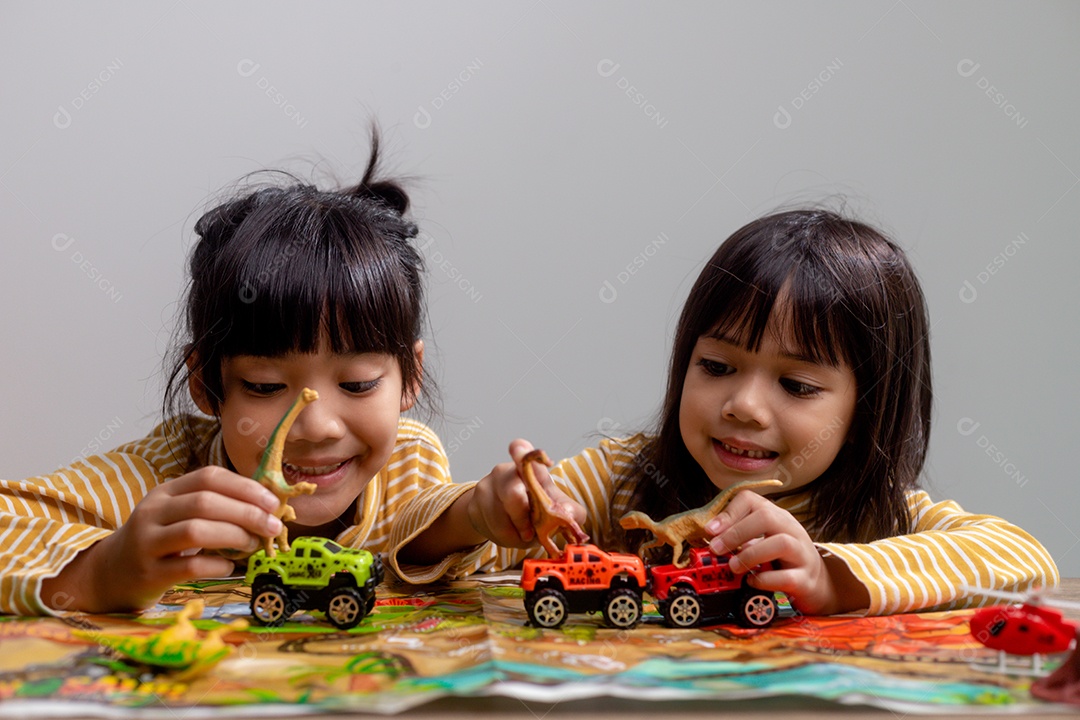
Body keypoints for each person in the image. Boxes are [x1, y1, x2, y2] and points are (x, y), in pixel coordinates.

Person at [395, 209, 1059, 616]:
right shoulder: (621, 476)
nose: (742, 405)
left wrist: (831, 576)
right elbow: (428, 545)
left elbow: (1022, 557)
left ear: (871, 406)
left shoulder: (880, 514)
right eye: (716, 367)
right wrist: (484, 513)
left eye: (797, 385)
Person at [0, 133, 450, 615]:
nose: (318, 427)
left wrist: (483, 516)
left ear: (410, 376)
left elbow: (455, 530)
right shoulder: (164, 472)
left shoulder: (410, 463)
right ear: (205, 384)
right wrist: (102, 571)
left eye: (358, 383)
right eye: (265, 386)